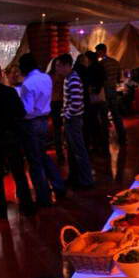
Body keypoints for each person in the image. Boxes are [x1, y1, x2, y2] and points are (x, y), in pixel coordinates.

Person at [19, 52, 65, 207]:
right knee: (43, 155)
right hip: (44, 121)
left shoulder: (27, 84)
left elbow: (27, 110)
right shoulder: (46, 78)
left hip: (31, 124)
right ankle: (59, 186)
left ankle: (44, 197)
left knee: (35, 161)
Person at [0, 62, 35, 219]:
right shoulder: (9, 92)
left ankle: (1, 209)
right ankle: (27, 206)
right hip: (11, 137)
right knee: (18, 173)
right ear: (0, 74)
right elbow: (21, 113)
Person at [55, 54, 94, 189]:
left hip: (73, 120)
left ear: (67, 65)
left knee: (79, 151)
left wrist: (66, 115)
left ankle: (86, 180)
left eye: (59, 66)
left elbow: (76, 103)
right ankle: (76, 178)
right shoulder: (69, 78)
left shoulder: (73, 79)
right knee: (73, 151)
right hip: (72, 119)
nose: (57, 68)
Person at [95, 43, 126, 145]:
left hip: (105, 91)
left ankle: (105, 139)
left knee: (104, 116)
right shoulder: (115, 62)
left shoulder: (101, 64)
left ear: (101, 51)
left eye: (97, 52)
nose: (97, 54)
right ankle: (122, 137)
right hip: (113, 89)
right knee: (116, 114)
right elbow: (119, 78)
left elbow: (100, 78)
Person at [86, 50, 110, 154]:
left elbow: (91, 83)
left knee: (95, 121)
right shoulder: (101, 67)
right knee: (103, 121)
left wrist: (93, 89)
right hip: (102, 96)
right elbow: (104, 80)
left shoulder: (90, 69)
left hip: (94, 98)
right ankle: (104, 144)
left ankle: (97, 144)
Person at [48, 57, 65, 165]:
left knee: (59, 129)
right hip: (55, 103)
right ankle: (60, 153)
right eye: (57, 65)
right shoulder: (51, 77)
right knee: (57, 129)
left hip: (59, 103)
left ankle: (61, 151)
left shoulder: (62, 76)